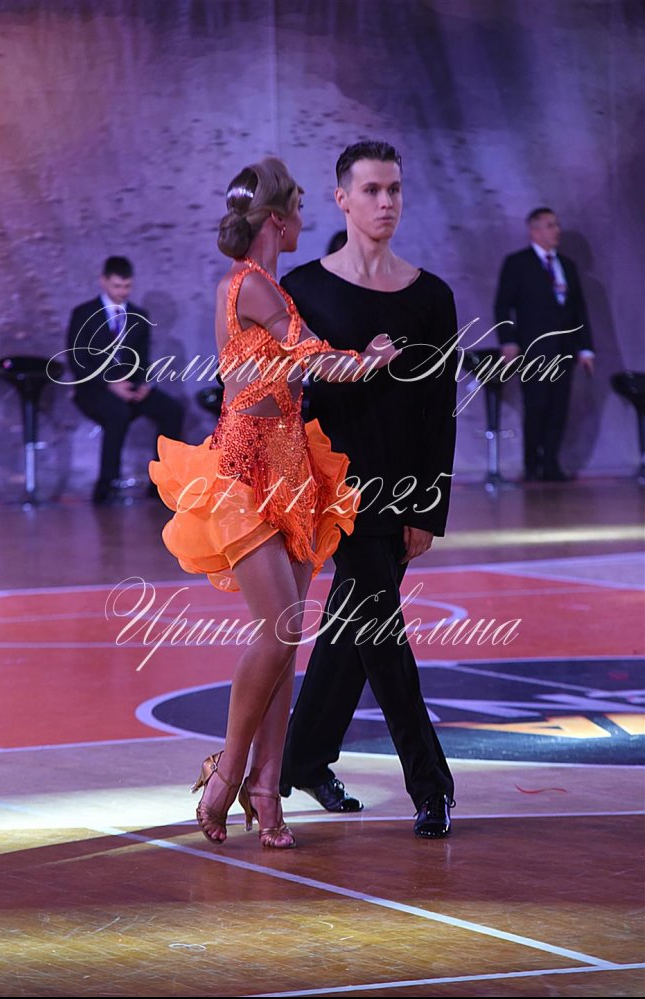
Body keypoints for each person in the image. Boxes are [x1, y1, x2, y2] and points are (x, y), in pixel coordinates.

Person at [148, 157, 401, 849]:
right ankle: (228, 773)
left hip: (292, 467)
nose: (303, 224)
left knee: (286, 638)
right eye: (299, 211)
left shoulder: (266, 284)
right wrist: (373, 358)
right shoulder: (253, 284)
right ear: (279, 219)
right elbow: (317, 360)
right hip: (246, 468)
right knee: (277, 632)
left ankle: (266, 786)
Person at [278, 140, 459, 838]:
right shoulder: (304, 289)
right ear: (342, 200)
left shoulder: (432, 296)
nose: (386, 202)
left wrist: (428, 508)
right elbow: (286, 390)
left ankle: (303, 759)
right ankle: (431, 783)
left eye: (395, 189)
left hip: (402, 490)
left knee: (353, 629)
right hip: (335, 491)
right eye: (372, 190)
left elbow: (440, 409)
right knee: (382, 632)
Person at [66, 256, 184, 504]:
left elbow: (142, 358)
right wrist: (110, 385)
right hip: (93, 388)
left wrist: (144, 385)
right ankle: (107, 486)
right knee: (117, 413)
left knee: (172, 410)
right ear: (104, 281)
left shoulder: (139, 316)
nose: (122, 292)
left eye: (127, 286)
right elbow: (78, 361)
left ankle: (160, 483)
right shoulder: (84, 314)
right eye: (117, 286)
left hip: (130, 386)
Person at [494, 208, 595, 482]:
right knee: (536, 405)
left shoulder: (567, 265)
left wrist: (586, 348)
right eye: (550, 225)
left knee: (558, 407)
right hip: (533, 350)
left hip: (564, 350)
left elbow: (579, 310)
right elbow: (503, 305)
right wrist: (508, 340)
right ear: (535, 230)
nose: (556, 230)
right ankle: (531, 463)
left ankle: (551, 463)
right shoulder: (517, 263)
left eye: (557, 225)